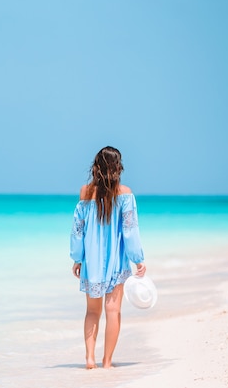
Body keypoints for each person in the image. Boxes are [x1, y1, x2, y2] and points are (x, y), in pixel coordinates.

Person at [70, 146, 146, 369]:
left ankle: (89, 358)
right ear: (118, 168)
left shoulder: (86, 192)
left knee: (92, 311)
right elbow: (130, 230)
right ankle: (107, 361)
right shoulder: (125, 193)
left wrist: (77, 257)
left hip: (91, 262)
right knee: (113, 311)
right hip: (115, 261)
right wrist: (138, 258)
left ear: (96, 167)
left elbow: (77, 230)